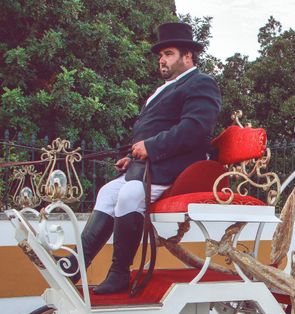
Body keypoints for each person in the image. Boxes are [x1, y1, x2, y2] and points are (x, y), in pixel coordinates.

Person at [64, 22, 221, 294]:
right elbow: (155, 130)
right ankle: (76, 265)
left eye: (168, 53)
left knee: (130, 195)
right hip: (149, 165)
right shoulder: (162, 89)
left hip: (178, 168)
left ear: (188, 56)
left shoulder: (201, 82)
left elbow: (195, 129)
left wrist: (150, 146)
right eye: (160, 55)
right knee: (107, 193)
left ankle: (119, 274)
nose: (162, 59)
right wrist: (133, 156)